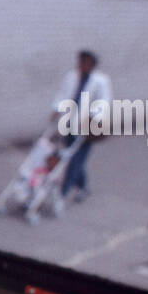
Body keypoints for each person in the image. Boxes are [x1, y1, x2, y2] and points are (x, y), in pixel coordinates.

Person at [49, 49, 112, 202]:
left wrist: (93, 118)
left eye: (85, 63)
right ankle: (83, 187)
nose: (81, 65)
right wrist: (56, 109)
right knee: (71, 155)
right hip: (69, 122)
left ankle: (62, 193)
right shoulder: (71, 76)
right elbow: (63, 94)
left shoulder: (101, 81)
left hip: (87, 127)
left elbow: (104, 102)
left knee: (75, 159)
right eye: (80, 62)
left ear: (91, 65)